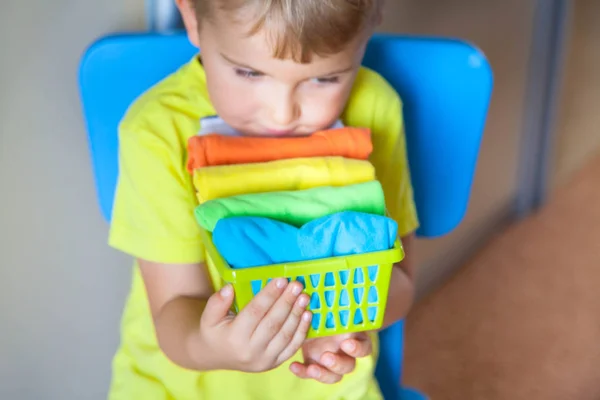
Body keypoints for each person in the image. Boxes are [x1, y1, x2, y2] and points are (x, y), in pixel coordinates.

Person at [107, 0, 419, 399]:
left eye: (325, 79)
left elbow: (401, 284)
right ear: (191, 17)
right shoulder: (156, 130)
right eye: (249, 72)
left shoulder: (375, 106)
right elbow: (174, 311)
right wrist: (215, 346)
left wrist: (344, 322)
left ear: (373, 23)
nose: (281, 115)